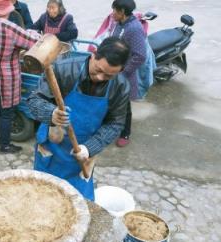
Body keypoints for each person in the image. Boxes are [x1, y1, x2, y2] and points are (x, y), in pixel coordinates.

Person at [27, 37, 130, 201]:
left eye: (109, 76)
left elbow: (115, 123)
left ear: (120, 70)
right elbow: (34, 101)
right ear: (94, 55)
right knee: (43, 196)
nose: (101, 78)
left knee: (77, 200)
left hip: (82, 154)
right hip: (51, 149)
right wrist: (51, 114)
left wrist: (90, 148)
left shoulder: (121, 86)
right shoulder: (63, 69)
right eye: (98, 70)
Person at [0, 0, 39, 154]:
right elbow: (33, 43)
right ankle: (5, 146)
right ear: (7, 9)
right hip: (4, 78)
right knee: (7, 113)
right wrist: (33, 33)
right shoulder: (9, 27)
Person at [110, 0, 152, 147]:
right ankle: (109, 127)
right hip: (112, 70)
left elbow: (140, 55)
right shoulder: (120, 23)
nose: (112, 13)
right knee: (110, 101)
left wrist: (123, 71)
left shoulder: (134, 28)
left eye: (115, 10)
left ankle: (125, 133)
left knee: (124, 106)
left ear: (122, 11)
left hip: (124, 74)